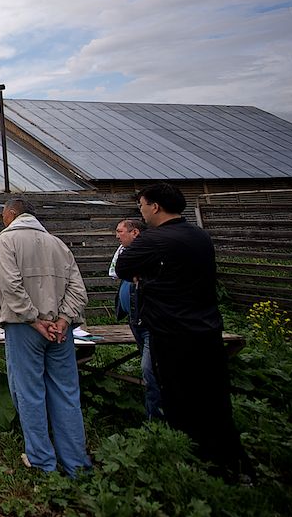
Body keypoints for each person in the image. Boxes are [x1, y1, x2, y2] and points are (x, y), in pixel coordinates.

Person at [115, 183, 251, 481]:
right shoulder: (199, 236)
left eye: (141, 205)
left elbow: (124, 265)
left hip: (170, 331)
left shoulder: (155, 239)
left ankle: (187, 465)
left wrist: (146, 273)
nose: (140, 210)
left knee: (177, 397)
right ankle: (232, 464)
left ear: (155, 207)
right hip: (207, 329)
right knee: (214, 399)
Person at [0, 197, 91, 476]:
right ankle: (76, 465)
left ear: (11, 214)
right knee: (67, 392)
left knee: (29, 392)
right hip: (60, 331)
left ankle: (42, 461)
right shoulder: (57, 244)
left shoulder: (7, 241)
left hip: (25, 327)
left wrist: (34, 319)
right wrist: (62, 319)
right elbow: (77, 290)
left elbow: (10, 285)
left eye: (3, 215)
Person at [109, 217, 161, 419]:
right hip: (135, 320)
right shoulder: (125, 251)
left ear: (135, 232)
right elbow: (116, 270)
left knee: (150, 370)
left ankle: (156, 419)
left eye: (120, 231)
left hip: (150, 321)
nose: (117, 235)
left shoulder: (150, 250)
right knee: (150, 368)